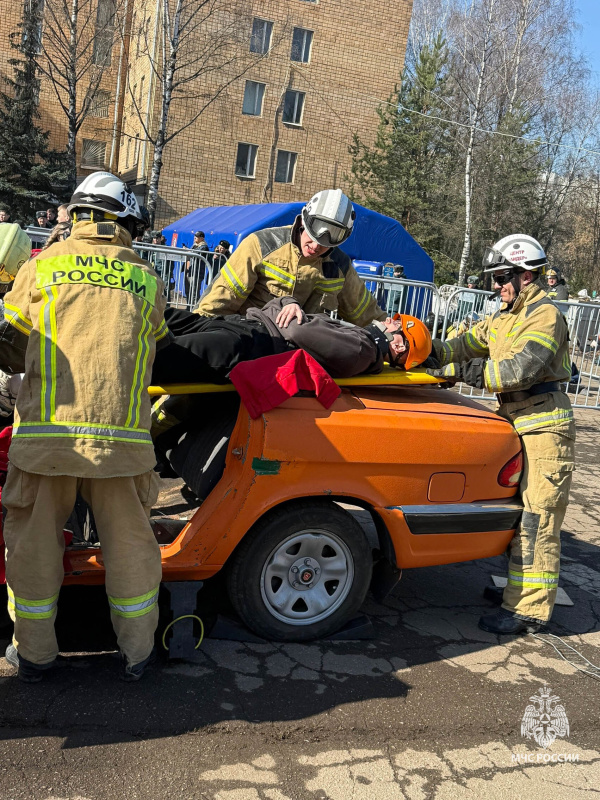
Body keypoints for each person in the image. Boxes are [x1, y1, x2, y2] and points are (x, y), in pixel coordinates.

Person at [0, 170, 170, 683]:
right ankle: (139, 654)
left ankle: (34, 655)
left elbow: (11, 340)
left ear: (76, 215)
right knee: (131, 550)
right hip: (122, 447)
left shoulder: (41, 266)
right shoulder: (145, 278)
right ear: (122, 222)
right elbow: (152, 346)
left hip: (45, 442)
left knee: (33, 547)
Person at [428, 234, 575, 635]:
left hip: (545, 426)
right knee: (516, 517)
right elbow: (465, 344)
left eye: (501, 277)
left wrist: (466, 372)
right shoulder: (503, 316)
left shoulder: (544, 316)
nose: (495, 285)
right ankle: (518, 588)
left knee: (538, 519)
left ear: (526, 275)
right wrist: (431, 351)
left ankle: (529, 610)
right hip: (515, 421)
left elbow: (518, 371)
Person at [151, 300, 433, 442]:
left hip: (248, 343)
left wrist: (283, 307)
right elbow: (284, 310)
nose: (389, 321)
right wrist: (287, 302)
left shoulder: (362, 349)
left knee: (156, 358)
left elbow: (293, 327)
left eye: (397, 325)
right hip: (241, 328)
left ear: (399, 347)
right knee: (153, 315)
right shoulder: (359, 338)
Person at [195, 189, 386, 327]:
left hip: (300, 352)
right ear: (303, 220)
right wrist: (196, 330)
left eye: (332, 236)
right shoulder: (261, 245)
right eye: (315, 232)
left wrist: (396, 334)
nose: (318, 244)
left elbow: (367, 314)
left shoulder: (340, 267)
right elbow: (219, 300)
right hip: (250, 340)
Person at [182, 230, 209, 302]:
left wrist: (188, 251)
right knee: (187, 291)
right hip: (189, 271)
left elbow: (196, 254)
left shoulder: (204, 247)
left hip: (196, 272)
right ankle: (188, 307)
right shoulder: (194, 245)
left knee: (194, 292)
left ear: (202, 238)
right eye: (195, 236)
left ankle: (194, 309)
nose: (195, 237)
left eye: (197, 236)